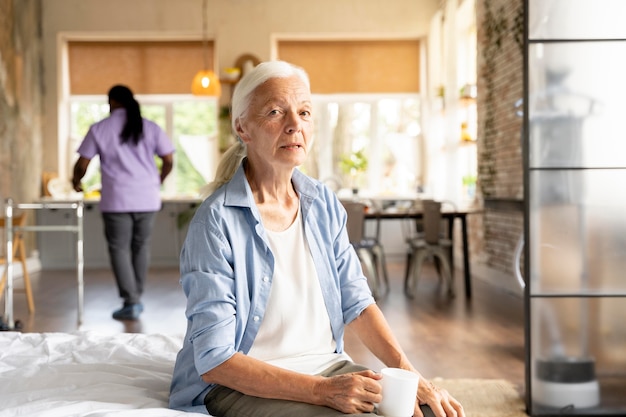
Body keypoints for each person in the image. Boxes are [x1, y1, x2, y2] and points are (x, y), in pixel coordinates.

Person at [169, 61, 464, 417]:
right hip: (242, 385)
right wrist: (322, 392)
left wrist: (412, 375)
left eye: (305, 112)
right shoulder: (215, 222)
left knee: (428, 412)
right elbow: (216, 360)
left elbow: (356, 301)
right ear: (243, 128)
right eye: (276, 112)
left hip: (329, 368)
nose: (295, 125)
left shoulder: (322, 203)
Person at [71, 84, 175, 321]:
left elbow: (82, 165)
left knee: (119, 248)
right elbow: (168, 160)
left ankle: (132, 300)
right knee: (141, 246)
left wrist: (76, 181)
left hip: (117, 198)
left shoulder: (100, 128)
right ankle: (135, 297)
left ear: (112, 102)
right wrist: (157, 180)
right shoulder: (150, 127)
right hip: (147, 198)